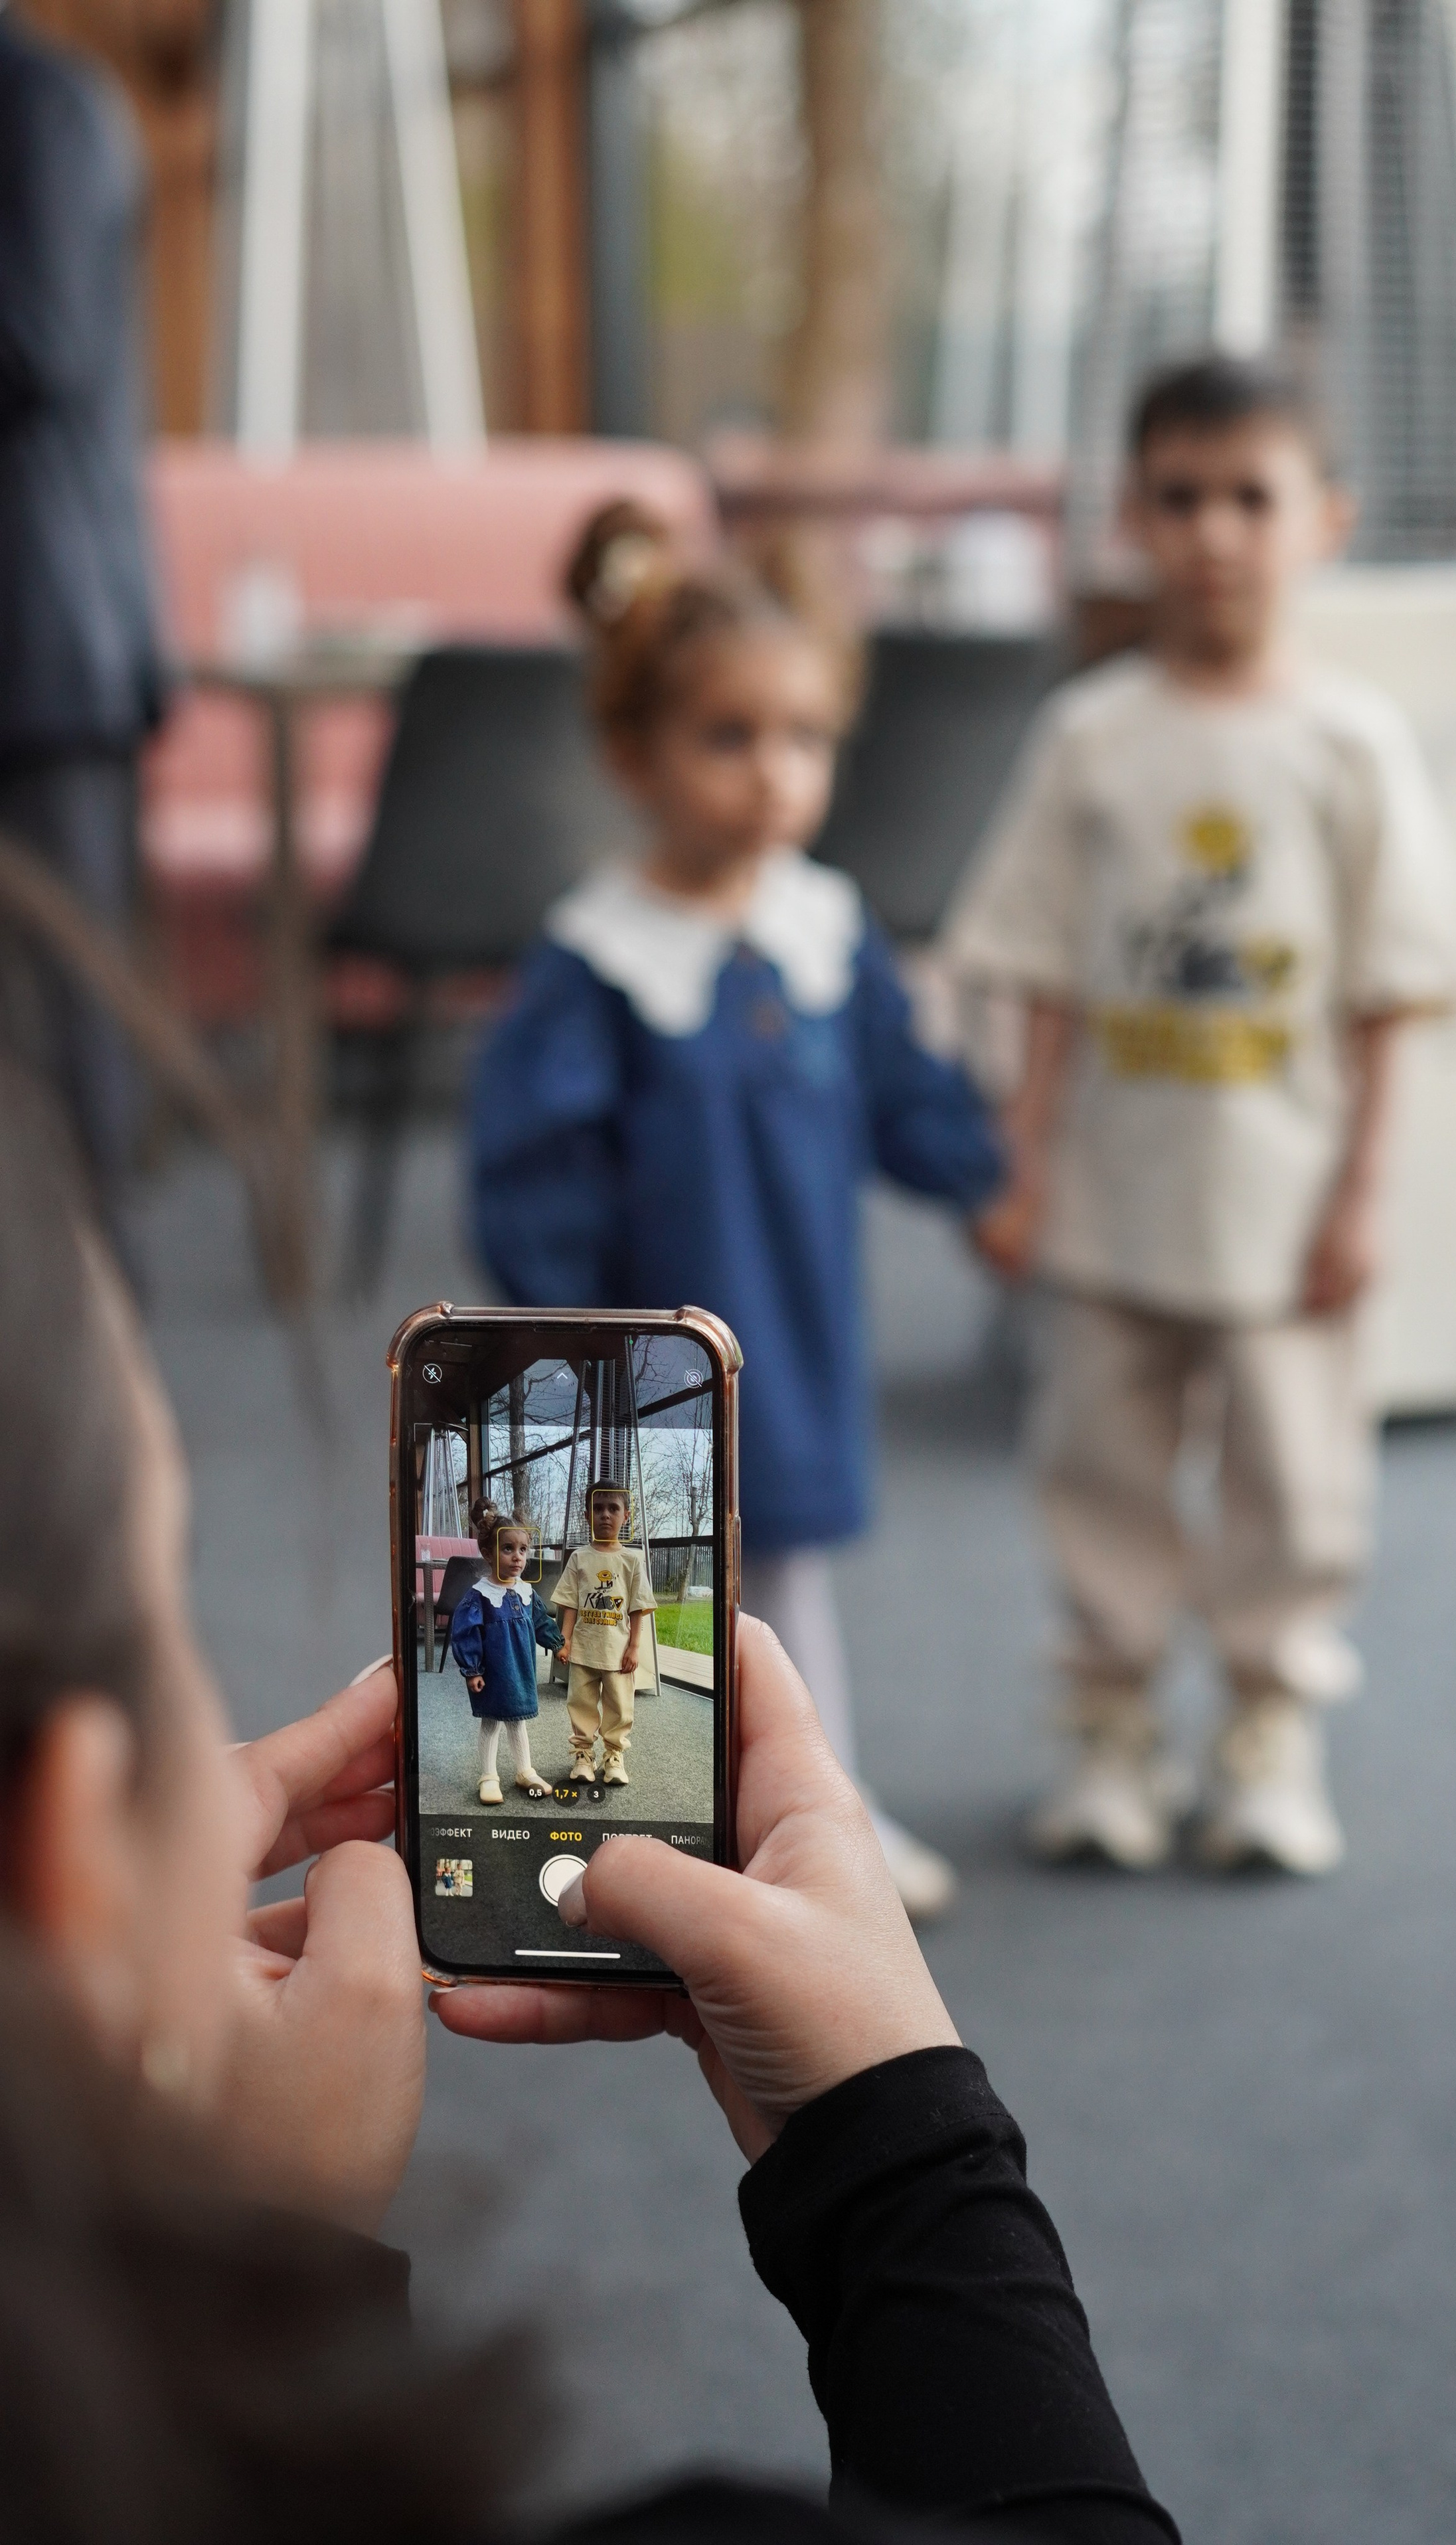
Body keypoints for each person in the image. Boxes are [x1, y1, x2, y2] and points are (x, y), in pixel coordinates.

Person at [0, 1058, 1177, 2544]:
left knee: (586, 1734)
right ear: (68, 1850)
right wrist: (905, 2148)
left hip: (597, 1670)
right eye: (168, 1580)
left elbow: (595, 1620)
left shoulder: (595, 1565)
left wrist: (225, 2216)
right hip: (554, 1684)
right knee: (532, 1744)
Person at [949, 354, 1456, 1879]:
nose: (1212, 532)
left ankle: (1263, 1721)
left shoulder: (1348, 743)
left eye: (1250, 497)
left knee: (1292, 1479)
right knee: (1099, 1463)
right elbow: (1038, 963)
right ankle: (1106, 1720)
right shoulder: (1090, 734)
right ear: (1130, 515)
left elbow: (1392, 985)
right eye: (1177, 497)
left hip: (1283, 1199)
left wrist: (1361, 1192)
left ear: (1322, 520)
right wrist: (1020, 1155)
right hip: (1115, 1192)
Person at [471, 502, 1007, 1920]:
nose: (775, 775)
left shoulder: (822, 925)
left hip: (795, 1319)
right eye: (729, 736)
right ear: (631, 750)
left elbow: (900, 1088)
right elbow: (533, 1166)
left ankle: (797, 1814)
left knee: (775, 1581)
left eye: (805, 737)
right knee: (663, 1585)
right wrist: (571, 1341)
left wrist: (987, 1179)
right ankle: (760, 1819)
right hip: (657, 1343)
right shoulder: (600, 957)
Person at [0, 6, 166, 1268]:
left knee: (65, 1022)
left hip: (43, 638)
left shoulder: (43, 108)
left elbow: (41, 344)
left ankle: (104, 1365)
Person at [448, 1497, 563, 1804]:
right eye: (508, 1549)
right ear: (488, 1552)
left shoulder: (525, 1591)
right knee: (492, 1721)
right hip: (493, 1670)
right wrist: (471, 1669)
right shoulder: (480, 1595)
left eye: (523, 1550)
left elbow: (540, 1620)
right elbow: (465, 1632)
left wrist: (557, 1644)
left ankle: (524, 1770)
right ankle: (489, 1776)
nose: (517, 1557)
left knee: (518, 1719)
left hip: (521, 1669)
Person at [550, 1479, 655, 1786]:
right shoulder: (579, 1558)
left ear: (626, 1516)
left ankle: (613, 1755)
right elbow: (570, 1604)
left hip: (618, 1652)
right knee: (580, 1702)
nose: (605, 1515)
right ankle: (583, 1754)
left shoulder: (632, 1560)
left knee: (620, 1706)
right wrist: (565, 1640)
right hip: (584, 1648)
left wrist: (634, 1647)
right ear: (587, 1515)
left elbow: (638, 1608)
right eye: (598, 1509)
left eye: (613, 1509)